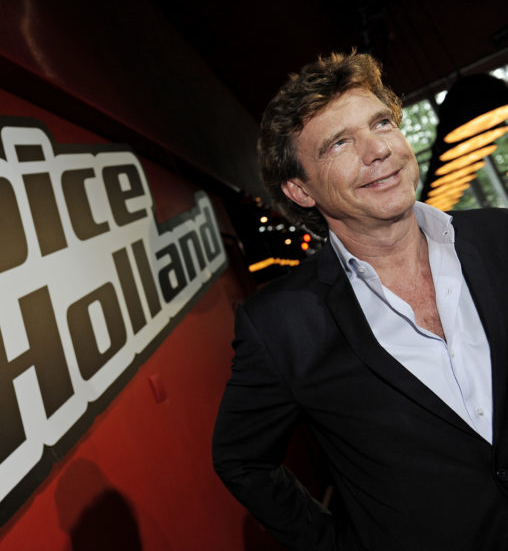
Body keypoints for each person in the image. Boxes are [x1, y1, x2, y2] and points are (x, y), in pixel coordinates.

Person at [212, 51, 508, 550]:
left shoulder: (499, 235)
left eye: (382, 123)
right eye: (340, 143)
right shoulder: (283, 324)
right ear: (300, 189)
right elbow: (241, 460)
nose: (378, 150)